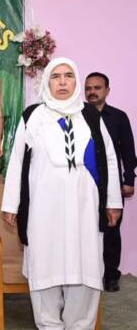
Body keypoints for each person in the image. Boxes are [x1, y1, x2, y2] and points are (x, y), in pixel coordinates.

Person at [1, 58, 122, 329]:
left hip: (85, 210)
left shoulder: (90, 115)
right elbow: (17, 161)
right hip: (43, 209)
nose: (63, 81)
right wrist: (11, 204)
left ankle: (80, 324)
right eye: (56, 76)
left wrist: (113, 202)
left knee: (85, 268)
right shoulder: (32, 116)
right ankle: (49, 325)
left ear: (76, 80)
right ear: (47, 82)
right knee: (44, 268)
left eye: (68, 75)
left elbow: (109, 159)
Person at [85, 71, 136, 292]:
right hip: (86, 184)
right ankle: (89, 274)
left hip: (112, 185)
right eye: (88, 88)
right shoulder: (78, 116)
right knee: (87, 229)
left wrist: (128, 180)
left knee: (111, 230)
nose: (92, 92)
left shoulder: (118, 117)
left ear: (107, 90)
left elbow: (128, 151)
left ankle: (110, 276)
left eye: (97, 88)